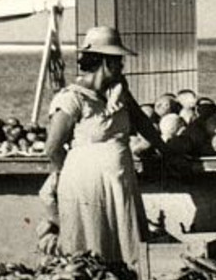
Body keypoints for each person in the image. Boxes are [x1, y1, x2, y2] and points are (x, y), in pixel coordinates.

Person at [40, 26, 169, 266]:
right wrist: (61, 172)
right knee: (90, 244)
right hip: (86, 185)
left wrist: (164, 147)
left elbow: (140, 119)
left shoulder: (117, 92)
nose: (122, 66)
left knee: (123, 241)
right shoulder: (72, 98)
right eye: (119, 61)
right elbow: (52, 147)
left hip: (119, 181)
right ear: (106, 63)